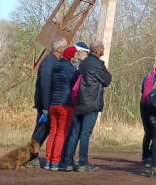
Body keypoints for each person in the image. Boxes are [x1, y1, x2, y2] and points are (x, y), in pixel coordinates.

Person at [61, 39, 112, 172]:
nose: (104, 50)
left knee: (75, 132)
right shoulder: (97, 64)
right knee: (85, 133)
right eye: (103, 48)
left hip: (79, 102)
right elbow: (107, 80)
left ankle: (68, 162)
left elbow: (75, 80)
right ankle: (83, 163)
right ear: (98, 51)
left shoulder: (82, 63)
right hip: (91, 102)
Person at [26, 36, 67, 167]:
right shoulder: (49, 62)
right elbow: (45, 85)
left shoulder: (53, 60)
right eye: (65, 46)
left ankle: (31, 156)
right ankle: (31, 157)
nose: (66, 49)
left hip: (47, 103)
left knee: (43, 129)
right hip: (46, 104)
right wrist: (45, 106)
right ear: (59, 49)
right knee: (42, 129)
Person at [45, 46, 78, 170]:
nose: (77, 57)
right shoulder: (71, 70)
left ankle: (48, 161)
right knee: (61, 133)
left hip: (53, 104)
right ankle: (56, 162)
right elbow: (76, 86)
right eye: (76, 54)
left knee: (53, 132)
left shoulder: (55, 66)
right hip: (65, 104)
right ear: (71, 56)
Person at [140, 65, 156, 166]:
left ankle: (152, 156)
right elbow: (146, 93)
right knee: (149, 132)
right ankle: (146, 156)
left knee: (155, 132)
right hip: (146, 105)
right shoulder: (150, 77)